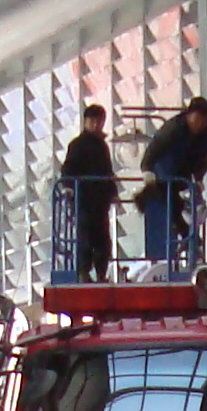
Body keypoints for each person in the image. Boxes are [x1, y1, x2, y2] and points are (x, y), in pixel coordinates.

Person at [137, 96, 207, 267]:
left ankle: (190, 240)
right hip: (164, 171)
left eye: (203, 121)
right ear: (188, 115)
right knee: (170, 206)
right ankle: (189, 239)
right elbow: (155, 147)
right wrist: (147, 169)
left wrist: (199, 178)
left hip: (183, 174)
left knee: (188, 208)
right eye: (196, 119)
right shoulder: (173, 128)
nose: (199, 124)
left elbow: (202, 159)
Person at [61, 103, 117, 279]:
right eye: (92, 121)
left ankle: (98, 273)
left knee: (101, 239)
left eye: (99, 121)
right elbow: (68, 170)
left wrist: (112, 191)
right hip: (84, 199)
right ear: (85, 122)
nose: (96, 125)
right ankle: (85, 272)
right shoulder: (78, 145)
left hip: (98, 200)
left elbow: (107, 171)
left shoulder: (101, 146)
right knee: (86, 238)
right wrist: (70, 188)